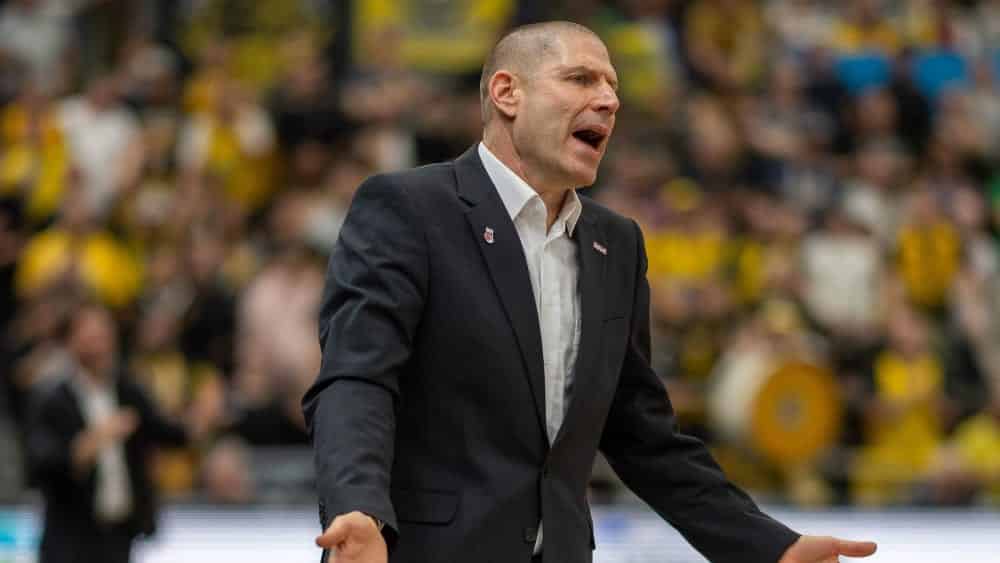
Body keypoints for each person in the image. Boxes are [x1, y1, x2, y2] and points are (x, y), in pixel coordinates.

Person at [303, 21, 878, 563]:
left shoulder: (616, 243)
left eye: (612, 86)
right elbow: (357, 377)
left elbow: (642, 436)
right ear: (507, 93)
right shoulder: (410, 208)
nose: (608, 100)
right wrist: (357, 505)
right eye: (580, 79)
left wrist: (768, 547)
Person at [25, 304, 215, 563]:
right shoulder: (52, 399)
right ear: (70, 341)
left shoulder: (127, 391)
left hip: (118, 535)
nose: (100, 346)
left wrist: (202, 416)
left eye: (104, 336)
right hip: (69, 537)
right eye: (91, 337)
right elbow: (41, 464)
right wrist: (92, 442)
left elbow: (169, 433)